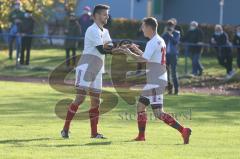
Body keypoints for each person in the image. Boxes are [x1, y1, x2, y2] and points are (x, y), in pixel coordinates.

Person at [114, 17, 191, 144]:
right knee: (140, 106)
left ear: (150, 28)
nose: (142, 29)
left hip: (156, 81)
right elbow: (149, 57)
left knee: (159, 113)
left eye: (143, 27)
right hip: (155, 80)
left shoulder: (152, 42)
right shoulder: (159, 40)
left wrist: (128, 52)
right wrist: (135, 49)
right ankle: (141, 136)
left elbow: (143, 60)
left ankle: (183, 131)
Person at [61, 4, 113, 139]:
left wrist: (119, 48)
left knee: (96, 101)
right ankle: (65, 129)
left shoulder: (105, 31)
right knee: (80, 98)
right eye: (104, 14)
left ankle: (94, 133)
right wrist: (120, 49)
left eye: (107, 14)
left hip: (97, 69)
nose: (107, 16)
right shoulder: (92, 30)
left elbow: (110, 46)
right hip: (86, 68)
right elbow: (103, 49)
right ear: (96, 16)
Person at [162, 20, 180, 95]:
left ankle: (176, 90)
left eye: (171, 26)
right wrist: (166, 33)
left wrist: (170, 34)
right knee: (166, 73)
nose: (170, 27)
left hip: (173, 55)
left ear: (174, 27)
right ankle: (169, 90)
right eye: (169, 26)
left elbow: (175, 42)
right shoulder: (165, 34)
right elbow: (162, 42)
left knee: (173, 73)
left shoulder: (177, 33)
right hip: (166, 55)